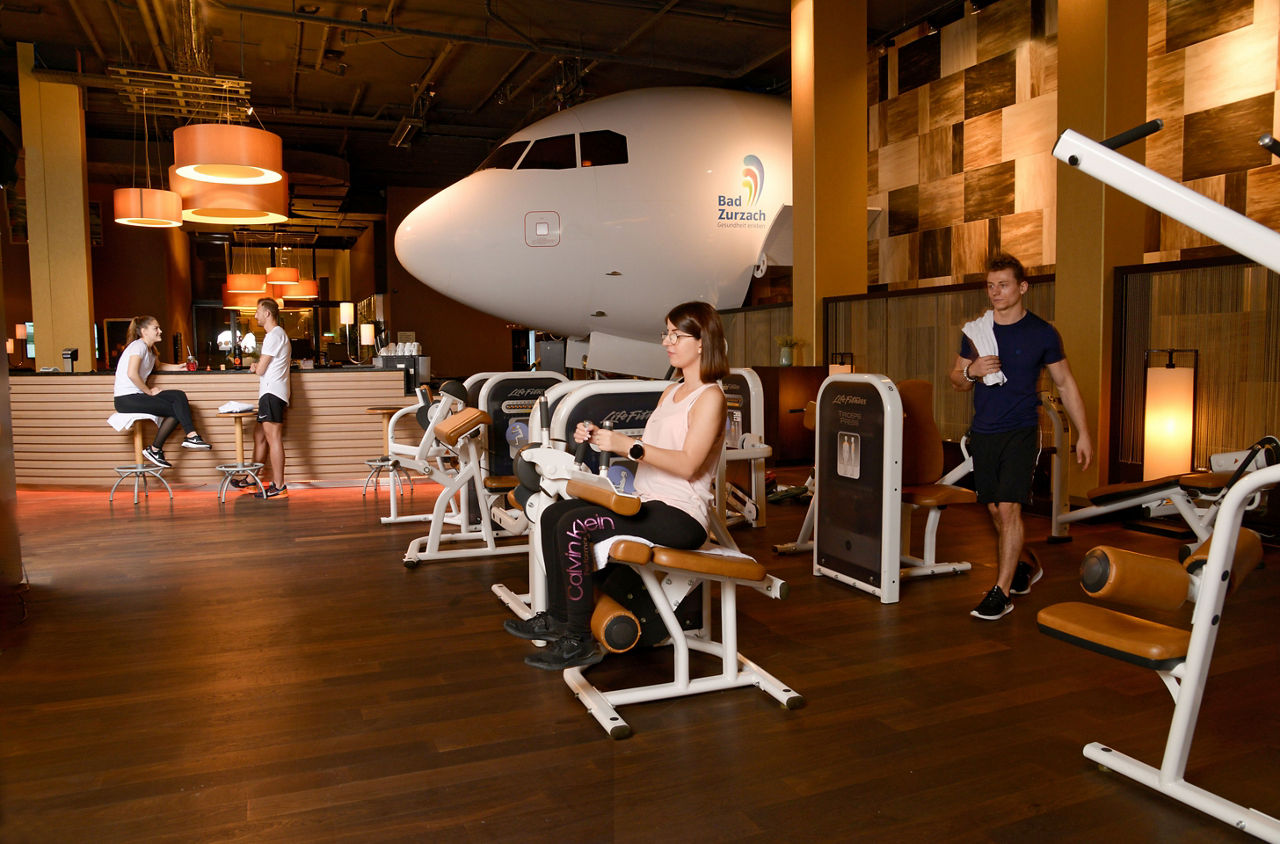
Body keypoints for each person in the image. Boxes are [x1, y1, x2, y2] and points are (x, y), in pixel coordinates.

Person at [504, 301, 729, 670]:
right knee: (554, 514)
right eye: (666, 333)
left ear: (702, 341)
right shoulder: (672, 392)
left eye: (676, 334)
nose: (667, 342)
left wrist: (625, 445)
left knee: (576, 525)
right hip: (647, 502)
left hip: (681, 516)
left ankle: (578, 639)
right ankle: (559, 619)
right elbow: (652, 447)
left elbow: (688, 463)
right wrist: (598, 437)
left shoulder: (710, 397)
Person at [950, 253, 1093, 621]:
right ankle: (1025, 564)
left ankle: (1001, 592)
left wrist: (1083, 434)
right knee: (997, 511)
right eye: (990, 285)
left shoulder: (1042, 333)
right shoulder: (976, 332)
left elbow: (1065, 383)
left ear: (1022, 287)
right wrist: (972, 371)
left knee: (1010, 508)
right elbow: (955, 381)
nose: (995, 292)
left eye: (1004, 284)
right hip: (984, 431)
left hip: (1021, 431)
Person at [112, 315, 212, 468]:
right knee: (177, 409)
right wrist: (148, 392)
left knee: (178, 396)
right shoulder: (138, 346)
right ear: (144, 331)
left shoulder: (150, 349)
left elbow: (158, 366)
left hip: (136, 396)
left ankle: (183, 439)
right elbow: (132, 373)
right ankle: (168, 444)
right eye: (156, 328)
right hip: (126, 399)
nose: (160, 331)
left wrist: (180, 367)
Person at [245, 297, 291, 499]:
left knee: (274, 439)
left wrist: (256, 367)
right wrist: (259, 366)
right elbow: (265, 366)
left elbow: (261, 368)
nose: (255, 315)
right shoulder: (277, 335)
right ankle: (251, 479)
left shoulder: (274, 335)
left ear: (267, 313)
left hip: (272, 393)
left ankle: (279, 486)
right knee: (260, 435)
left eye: (257, 311)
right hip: (273, 393)